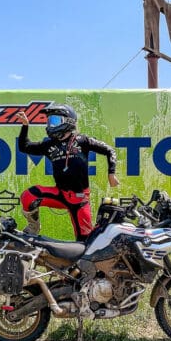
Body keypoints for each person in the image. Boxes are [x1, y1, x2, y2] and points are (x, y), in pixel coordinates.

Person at [16, 103, 119, 242]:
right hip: (60, 195)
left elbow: (109, 150)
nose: (50, 125)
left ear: (68, 121)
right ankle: (33, 227)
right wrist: (25, 125)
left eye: (54, 120)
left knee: (85, 241)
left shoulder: (82, 141)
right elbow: (24, 147)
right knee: (28, 196)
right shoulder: (49, 144)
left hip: (80, 199)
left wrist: (111, 173)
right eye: (49, 121)